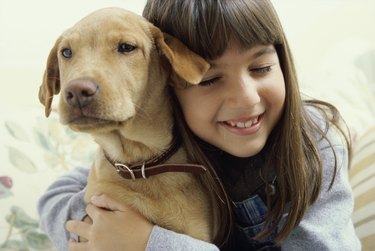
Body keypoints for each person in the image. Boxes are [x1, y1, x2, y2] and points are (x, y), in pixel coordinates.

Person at [37, 0, 361, 250]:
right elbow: (55, 197)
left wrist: (149, 243)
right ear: (169, 77)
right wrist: (97, 229)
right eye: (210, 79)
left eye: (261, 67)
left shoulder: (313, 143)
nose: (245, 99)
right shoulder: (153, 140)